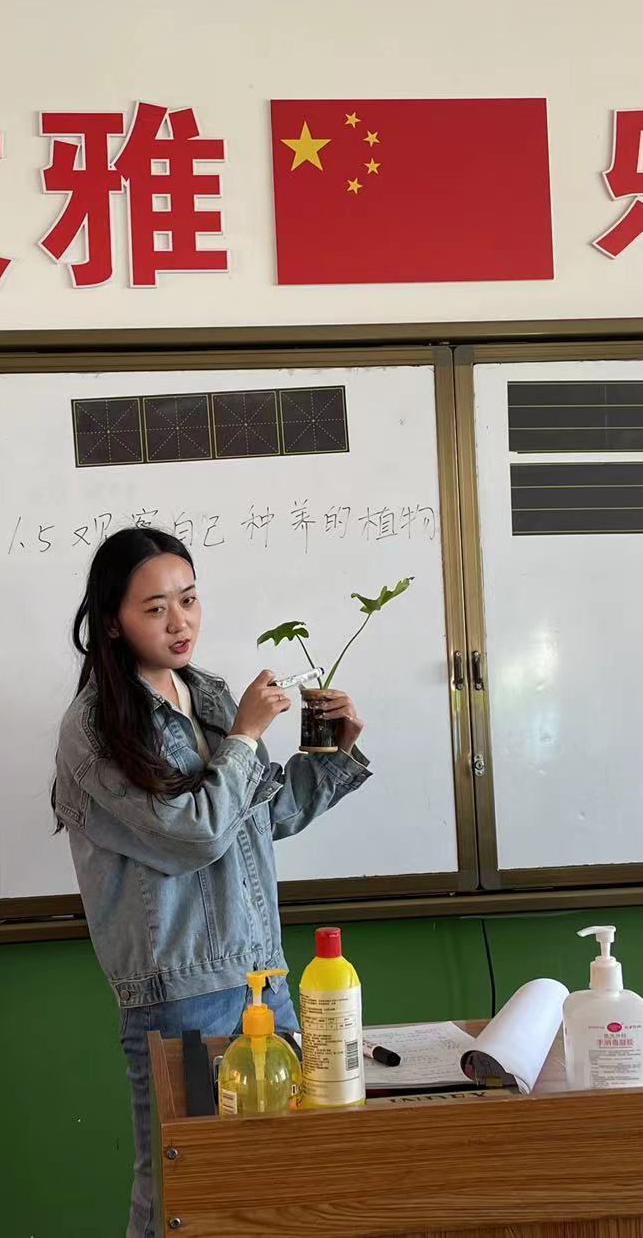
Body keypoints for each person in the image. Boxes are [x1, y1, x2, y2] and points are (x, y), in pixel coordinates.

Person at [52, 527, 370, 1238]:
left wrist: (333, 756)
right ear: (113, 621)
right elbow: (190, 834)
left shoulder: (210, 694)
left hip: (263, 977)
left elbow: (262, 817)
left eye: (189, 600)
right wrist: (247, 737)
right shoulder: (97, 726)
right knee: (182, 1189)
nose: (180, 621)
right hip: (183, 993)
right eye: (155, 607)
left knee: (279, 1180)